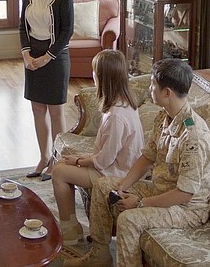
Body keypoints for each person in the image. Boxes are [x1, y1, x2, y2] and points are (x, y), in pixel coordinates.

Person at [64, 59, 210, 267]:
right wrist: (123, 187)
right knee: (103, 185)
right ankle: (99, 254)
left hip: (186, 209)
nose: (149, 89)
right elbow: (147, 157)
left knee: (129, 220)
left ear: (167, 93)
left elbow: (184, 193)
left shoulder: (193, 137)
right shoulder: (164, 117)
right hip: (161, 189)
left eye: (153, 85)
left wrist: (140, 203)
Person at [52, 50, 144, 245]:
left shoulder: (116, 116)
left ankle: (69, 231)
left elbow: (105, 160)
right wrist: (80, 159)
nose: (92, 74)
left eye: (94, 71)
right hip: (116, 165)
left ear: (102, 78)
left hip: (116, 173)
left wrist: (79, 160)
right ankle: (72, 226)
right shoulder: (124, 104)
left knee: (59, 172)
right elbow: (107, 152)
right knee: (61, 163)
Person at [19, 0, 73, 181]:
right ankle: (43, 157)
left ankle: (57, 160)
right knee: (37, 110)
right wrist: (26, 55)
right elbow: (22, 27)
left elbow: (67, 32)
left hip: (56, 58)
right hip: (32, 57)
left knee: (55, 112)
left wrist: (46, 58)